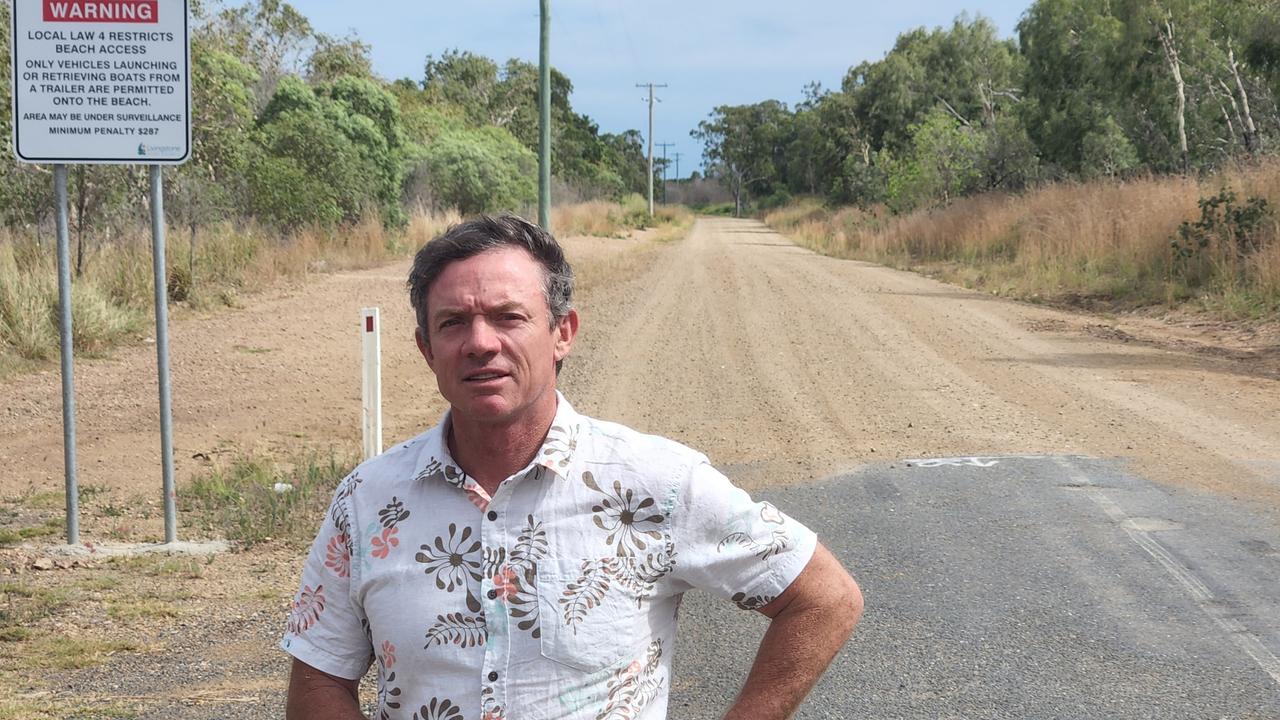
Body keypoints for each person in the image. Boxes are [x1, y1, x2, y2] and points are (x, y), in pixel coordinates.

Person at [282, 214, 863, 720]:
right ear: (426, 348)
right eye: (453, 322)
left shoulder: (654, 484)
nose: (480, 342)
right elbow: (319, 676)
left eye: (509, 317)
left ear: (563, 333)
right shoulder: (367, 500)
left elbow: (825, 598)